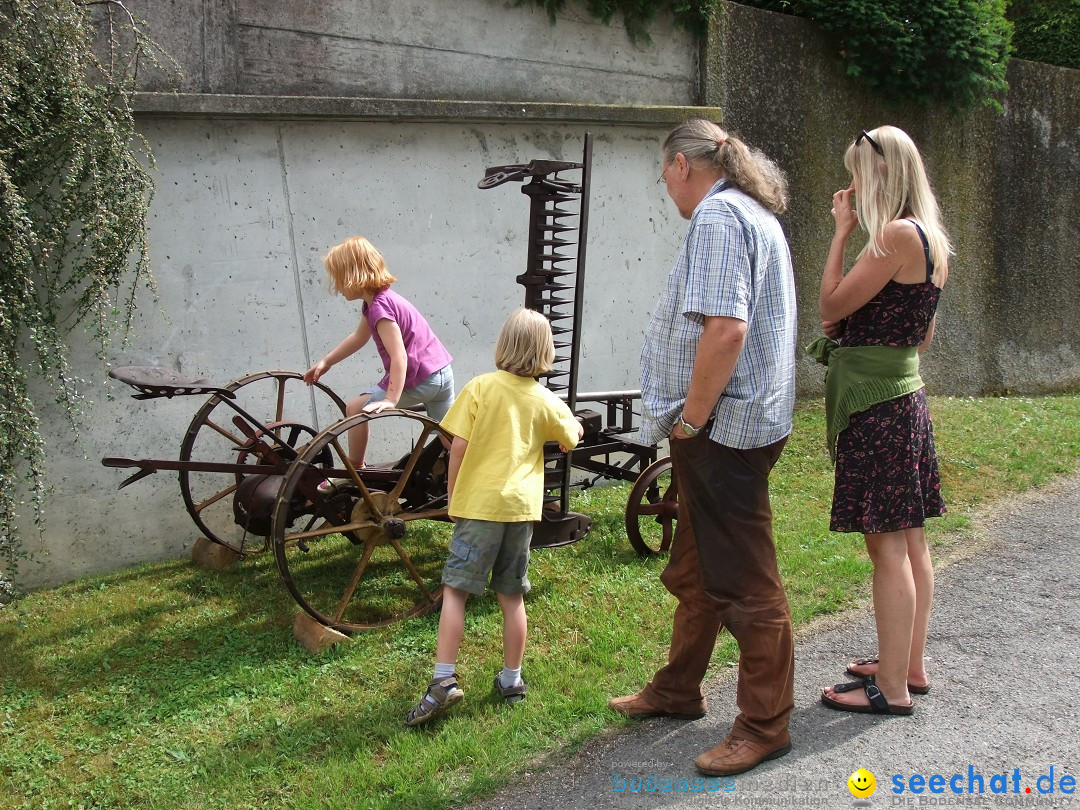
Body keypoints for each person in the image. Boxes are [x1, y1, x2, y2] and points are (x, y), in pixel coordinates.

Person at [608, 119, 798, 776]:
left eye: (664, 174)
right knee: (696, 564)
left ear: (681, 166)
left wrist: (689, 418)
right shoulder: (750, 211)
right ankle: (678, 688)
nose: (666, 187)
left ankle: (765, 724)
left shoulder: (719, 218)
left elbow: (727, 330)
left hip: (723, 431)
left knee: (746, 583)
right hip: (739, 425)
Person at [811, 126, 949, 716]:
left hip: (878, 406)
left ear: (883, 174)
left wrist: (842, 233)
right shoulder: (931, 238)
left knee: (886, 549)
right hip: (905, 396)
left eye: (858, 174)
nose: (851, 187)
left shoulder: (892, 235)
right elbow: (923, 333)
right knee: (911, 539)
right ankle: (907, 665)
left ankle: (890, 688)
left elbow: (831, 307)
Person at [406, 308, 583, 726]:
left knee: (455, 591)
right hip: (519, 512)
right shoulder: (544, 400)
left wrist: (453, 497)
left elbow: (458, 447)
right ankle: (511, 680)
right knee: (511, 595)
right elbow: (571, 437)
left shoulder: (481, 388)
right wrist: (571, 424)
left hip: (481, 507)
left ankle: (443, 681)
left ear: (503, 345)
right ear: (546, 352)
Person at [303, 236, 454, 472]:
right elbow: (358, 337)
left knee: (354, 408)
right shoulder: (381, 301)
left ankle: (356, 470)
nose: (336, 287)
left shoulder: (380, 308)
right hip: (441, 373)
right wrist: (327, 361)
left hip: (420, 378)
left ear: (354, 277)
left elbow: (399, 356)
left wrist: (390, 399)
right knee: (448, 437)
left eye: (338, 279)